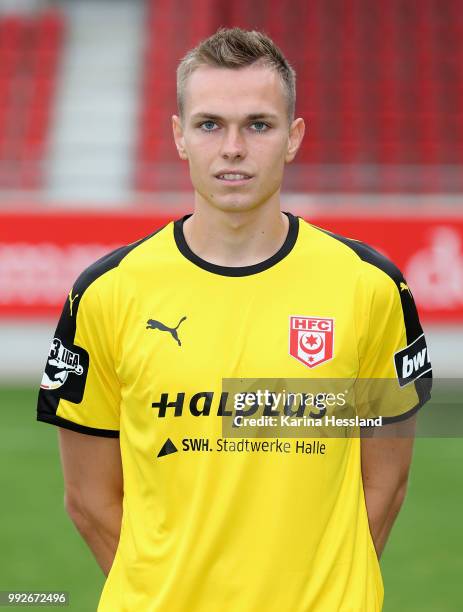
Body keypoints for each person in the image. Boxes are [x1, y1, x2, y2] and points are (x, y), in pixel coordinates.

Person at [37, 27, 432, 612]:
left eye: (259, 124)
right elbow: (90, 500)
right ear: (179, 136)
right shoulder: (105, 292)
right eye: (209, 124)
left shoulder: (370, 286)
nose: (233, 147)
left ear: (293, 137)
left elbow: (387, 483)